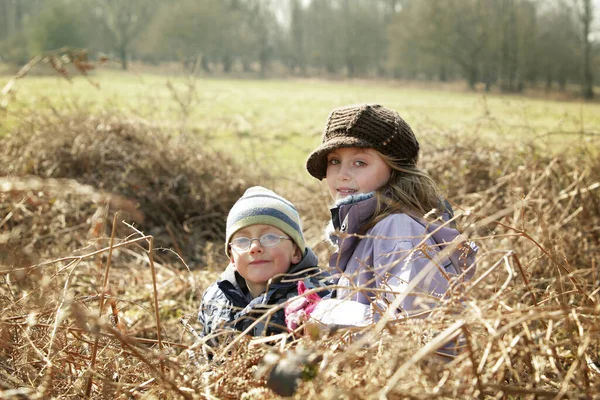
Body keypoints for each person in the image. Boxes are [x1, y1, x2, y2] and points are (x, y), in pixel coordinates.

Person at [286, 103, 477, 338]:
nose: (342, 174)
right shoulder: (364, 229)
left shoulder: (397, 229)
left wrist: (324, 314)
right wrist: (317, 305)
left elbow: (413, 328)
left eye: (360, 162)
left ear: (395, 170)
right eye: (334, 161)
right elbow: (371, 306)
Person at [197, 186, 329, 345]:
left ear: (295, 252)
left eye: (270, 237)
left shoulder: (315, 295)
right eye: (242, 241)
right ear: (231, 257)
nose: (255, 248)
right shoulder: (215, 298)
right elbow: (205, 354)